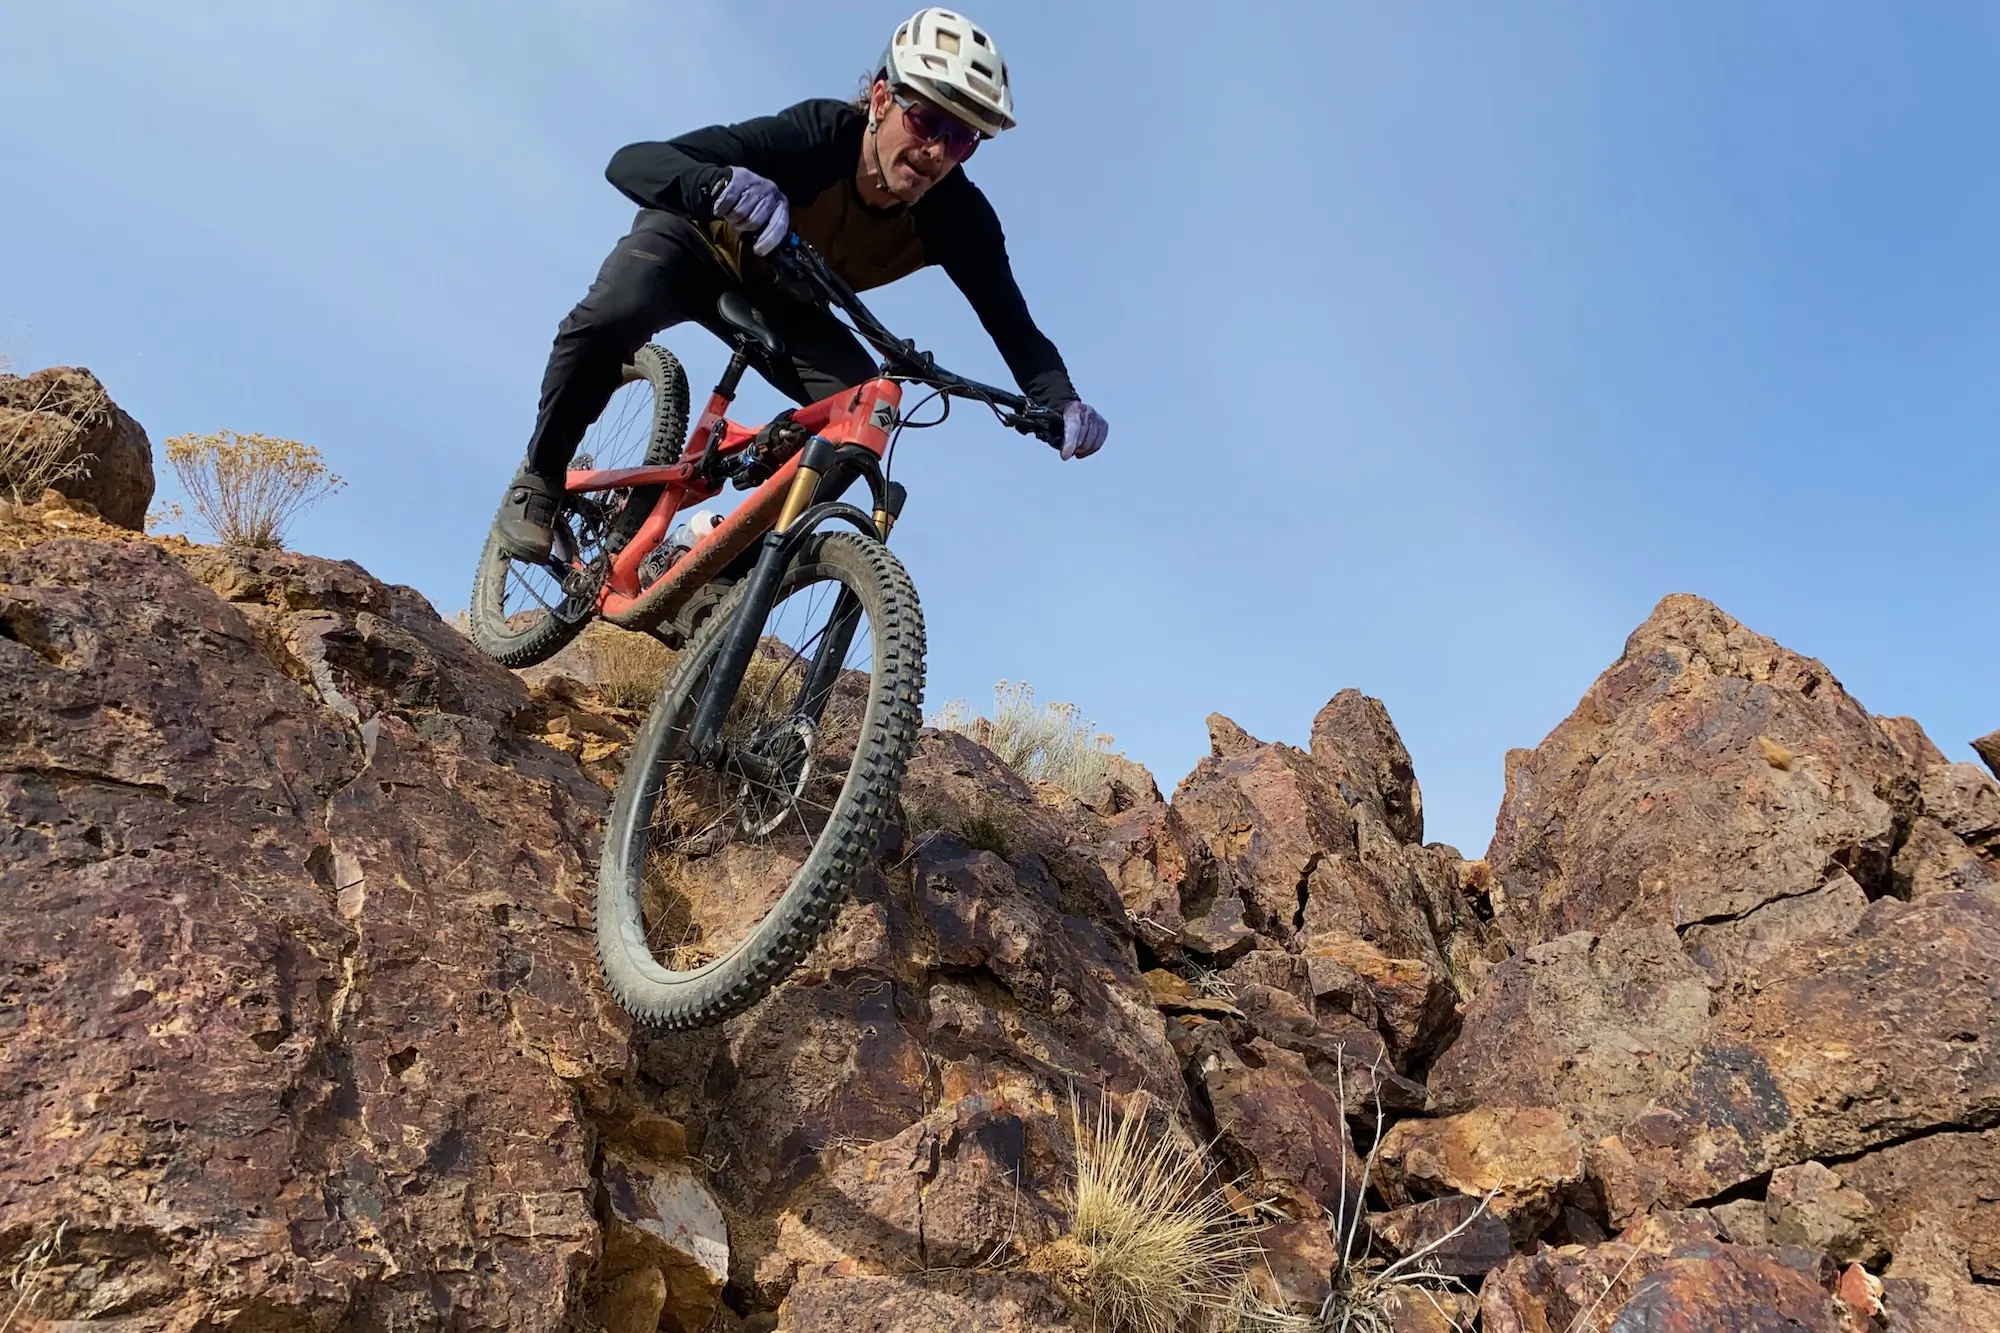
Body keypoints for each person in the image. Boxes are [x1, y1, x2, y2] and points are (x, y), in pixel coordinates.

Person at [495, 7, 1110, 560]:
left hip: (788, 297)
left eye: (963, 140)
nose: (936, 152)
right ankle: (540, 477)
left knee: (862, 418)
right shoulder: (817, 136)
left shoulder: (960, 219)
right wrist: (715, 187)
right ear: (880, 98)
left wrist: (1060, 402)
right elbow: (633, 160)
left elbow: (1015, 327)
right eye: (926, 120)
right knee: (610, 318)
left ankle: (715, 564)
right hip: (695, 245)